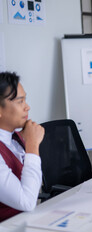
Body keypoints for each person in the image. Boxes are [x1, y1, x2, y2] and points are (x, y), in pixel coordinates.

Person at [0, 72, 44, 222]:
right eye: (20, 101)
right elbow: (27, 201)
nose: (27, 107)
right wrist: (32, 146)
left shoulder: (15, 138)